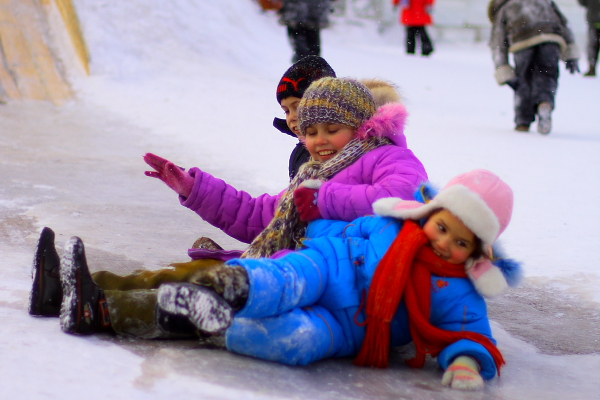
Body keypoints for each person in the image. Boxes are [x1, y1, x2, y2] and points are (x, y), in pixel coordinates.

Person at [30, 77, 428, 337]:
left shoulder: (389, 158)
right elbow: (257, 215)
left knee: (199, 286)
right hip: (288, 262)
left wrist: (325, 199)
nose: (319, 140)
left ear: (360, 127)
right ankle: (66, 287)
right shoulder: (316, 172)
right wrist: (193, 188)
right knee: (180, 273)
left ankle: (98, 306)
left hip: (324, 279)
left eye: (331, 130)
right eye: (309, 132)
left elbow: (399, 200)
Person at [155, 169, 522, 391]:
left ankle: (216, 324)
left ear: (477, 251)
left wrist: (465, 363)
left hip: (350, 327)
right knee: (286, 281)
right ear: (431, 213)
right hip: (330, 265)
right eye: (442, 228)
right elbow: (349, 228)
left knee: (301, 341)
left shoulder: (457, 289)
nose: (444, 243)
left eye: (460, 242)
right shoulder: (395, 222)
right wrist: (315, 223)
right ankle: (228, 286)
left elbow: (471, 332)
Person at [488, 0, 580, 134]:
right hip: (551, 38)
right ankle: (545, 104)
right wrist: (571, 53)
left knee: (524, 81)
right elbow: (564, 24)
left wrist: (503, 69)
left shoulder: (504, 8)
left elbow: (498, 43)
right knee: (547, 76)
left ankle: (523, 122)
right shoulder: (545, 1)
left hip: (522, 41)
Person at [273, 55, 336, 181]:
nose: (291, 117)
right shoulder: (301, 151)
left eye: (297, 107)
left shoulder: (338, 148)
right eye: (286, 111)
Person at [578, 0, 600, 77]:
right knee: (592, 46)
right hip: (593, 22)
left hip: (593, 21)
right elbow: (582, 2)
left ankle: (592, 67)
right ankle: (592, 67)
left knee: (592, 46)